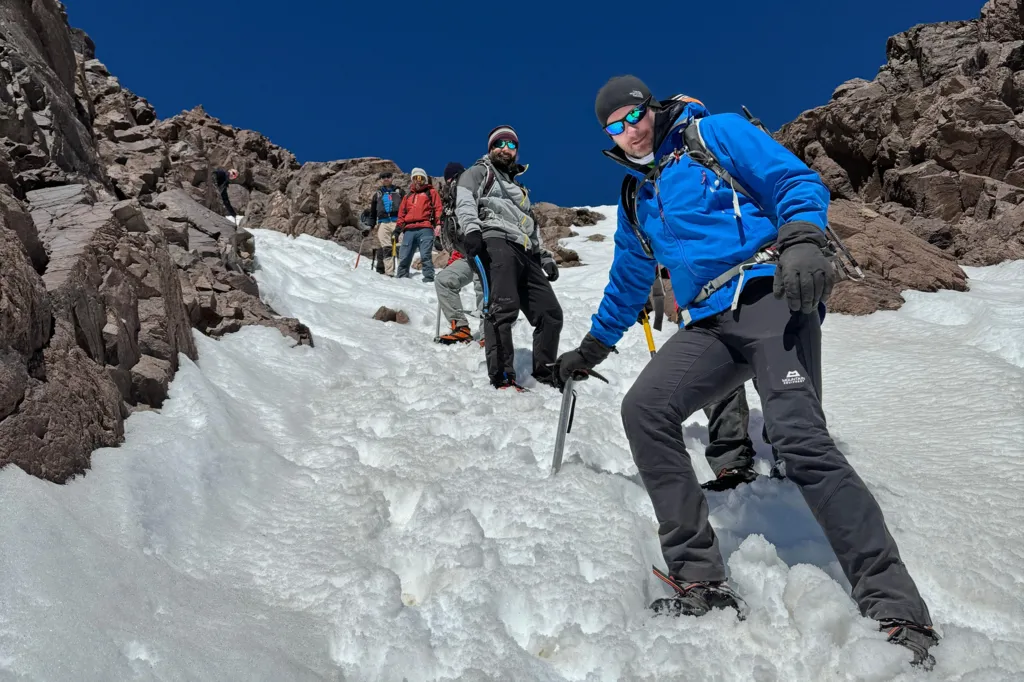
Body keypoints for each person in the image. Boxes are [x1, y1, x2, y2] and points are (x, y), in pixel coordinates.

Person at [553, 76, 937, 666]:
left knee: (798, 437)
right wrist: (593, 348)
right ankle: (699, 578)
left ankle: (897, 608)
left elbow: (792, 180)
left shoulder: (716, 134)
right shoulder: (636, 198)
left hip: (767, 293)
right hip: (707, 322)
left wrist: (804, 236)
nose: (627, 132)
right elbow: (629, 283)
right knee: (645, 409)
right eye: (612, 127)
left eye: (632, 116)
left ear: (650, 107)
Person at [455, 126, 562, 390]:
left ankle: (545, 374)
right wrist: (471, 229)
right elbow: (465, 197)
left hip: (525, 250)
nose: (506, 148)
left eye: (511, 145)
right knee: (503, 307)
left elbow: (530, 226)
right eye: (500, 143)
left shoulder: (520, 188)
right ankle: (502, 377)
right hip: (495, 239)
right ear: (491, 148)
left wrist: (544, 256)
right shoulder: (481, 171)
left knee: (550, 313)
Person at [434, 162, 484, 344]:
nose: (452, 182)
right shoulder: (449, 204)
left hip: (486, 251)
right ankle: (460, 328)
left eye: (454, 178)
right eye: (449, 179)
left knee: (483, 286)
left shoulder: (476, 192)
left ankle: (489, 335)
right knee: (444, 280)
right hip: (467, 255)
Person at [396, 168, 441, 282]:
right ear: (412, 180)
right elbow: (402, 213)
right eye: (415, 178)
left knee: (425, 254)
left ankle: (429, 278)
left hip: (425, 227)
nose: (418, 181)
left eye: (421, 178)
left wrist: (439, 224)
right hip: (409, 229)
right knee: (404, 255)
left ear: (425, 180)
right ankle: (401, 278)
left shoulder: (431, 193)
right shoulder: (407, 196)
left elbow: (438, 209)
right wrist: (398, 228)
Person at [368, 171, 404, 275]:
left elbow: (406, 207)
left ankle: (402, 272)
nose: (385, 179)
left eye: (388, 176)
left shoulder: (400, 192)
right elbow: (373, 212)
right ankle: (389, 272)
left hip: (398, 222)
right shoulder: (377, 194)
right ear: (380, 180)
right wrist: (371, 225)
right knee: (386, 248)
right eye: (383, 177)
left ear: (392, 178)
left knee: (399, 247)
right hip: (382, 223)